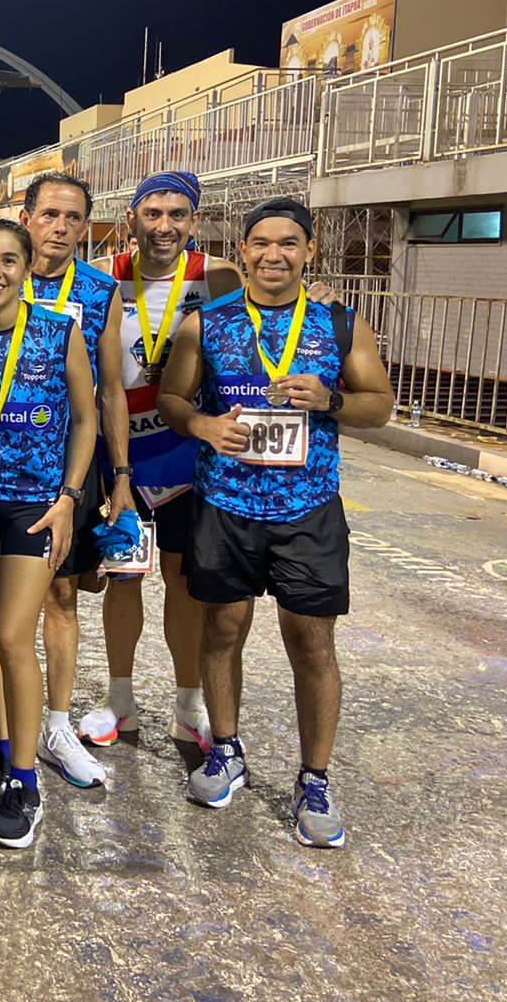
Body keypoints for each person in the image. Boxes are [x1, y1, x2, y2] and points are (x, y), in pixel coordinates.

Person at [157, 197, 393, 848]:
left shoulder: (340, 324)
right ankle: (225, 749)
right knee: (222, 630)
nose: (273, 254)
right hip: (225, 503)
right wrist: (202, 423)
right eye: (260, 243)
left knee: (312, 645)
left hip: (307, 507)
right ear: (243, 253)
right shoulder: (206, 325)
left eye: (288, 243)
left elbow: (381, 406)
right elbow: (174, 399)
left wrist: (332, 398)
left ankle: (314, 779)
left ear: (309, 251)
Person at [0, 171, 132, 789]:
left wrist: (81, 492)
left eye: (7, 260)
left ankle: (33, 759)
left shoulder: (71, 319)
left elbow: (91, 409)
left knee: (21, 629)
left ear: (24, 269)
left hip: (40, 502)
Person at [78, 171, 241, 756]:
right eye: (152, 214)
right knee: (123, 580)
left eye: (177, 214)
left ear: (194, 222)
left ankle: (187, 703)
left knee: (183, 581)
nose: (164, 226)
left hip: (188, 455)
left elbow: (273, 310)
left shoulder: (220, 277)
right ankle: (119, 700)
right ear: (131, 220)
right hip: (122, 456)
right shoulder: (102, 281)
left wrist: (318, 296)